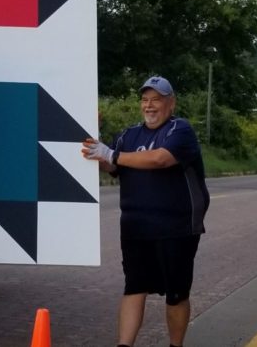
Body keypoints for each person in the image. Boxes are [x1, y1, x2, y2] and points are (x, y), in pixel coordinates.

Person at [82, 76, 210, 347]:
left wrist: (112, 154)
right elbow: (111, 166)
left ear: (171, 103)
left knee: (176, 293)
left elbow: (160, 158)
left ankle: (176, 345)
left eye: (157, 99)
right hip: (135, 226)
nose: (150, 106)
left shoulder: (181, 130)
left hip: (176, 227)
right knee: (134, 287)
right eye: (145, 100)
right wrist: (98, 143)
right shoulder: (129, 135)